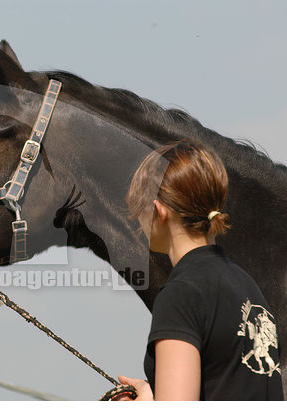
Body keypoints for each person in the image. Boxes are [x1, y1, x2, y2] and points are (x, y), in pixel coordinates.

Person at [119, 139, 283, 401]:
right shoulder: (248, 288)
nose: (136, 221)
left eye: (138, 209)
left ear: (159, 212)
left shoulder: (181, 295)